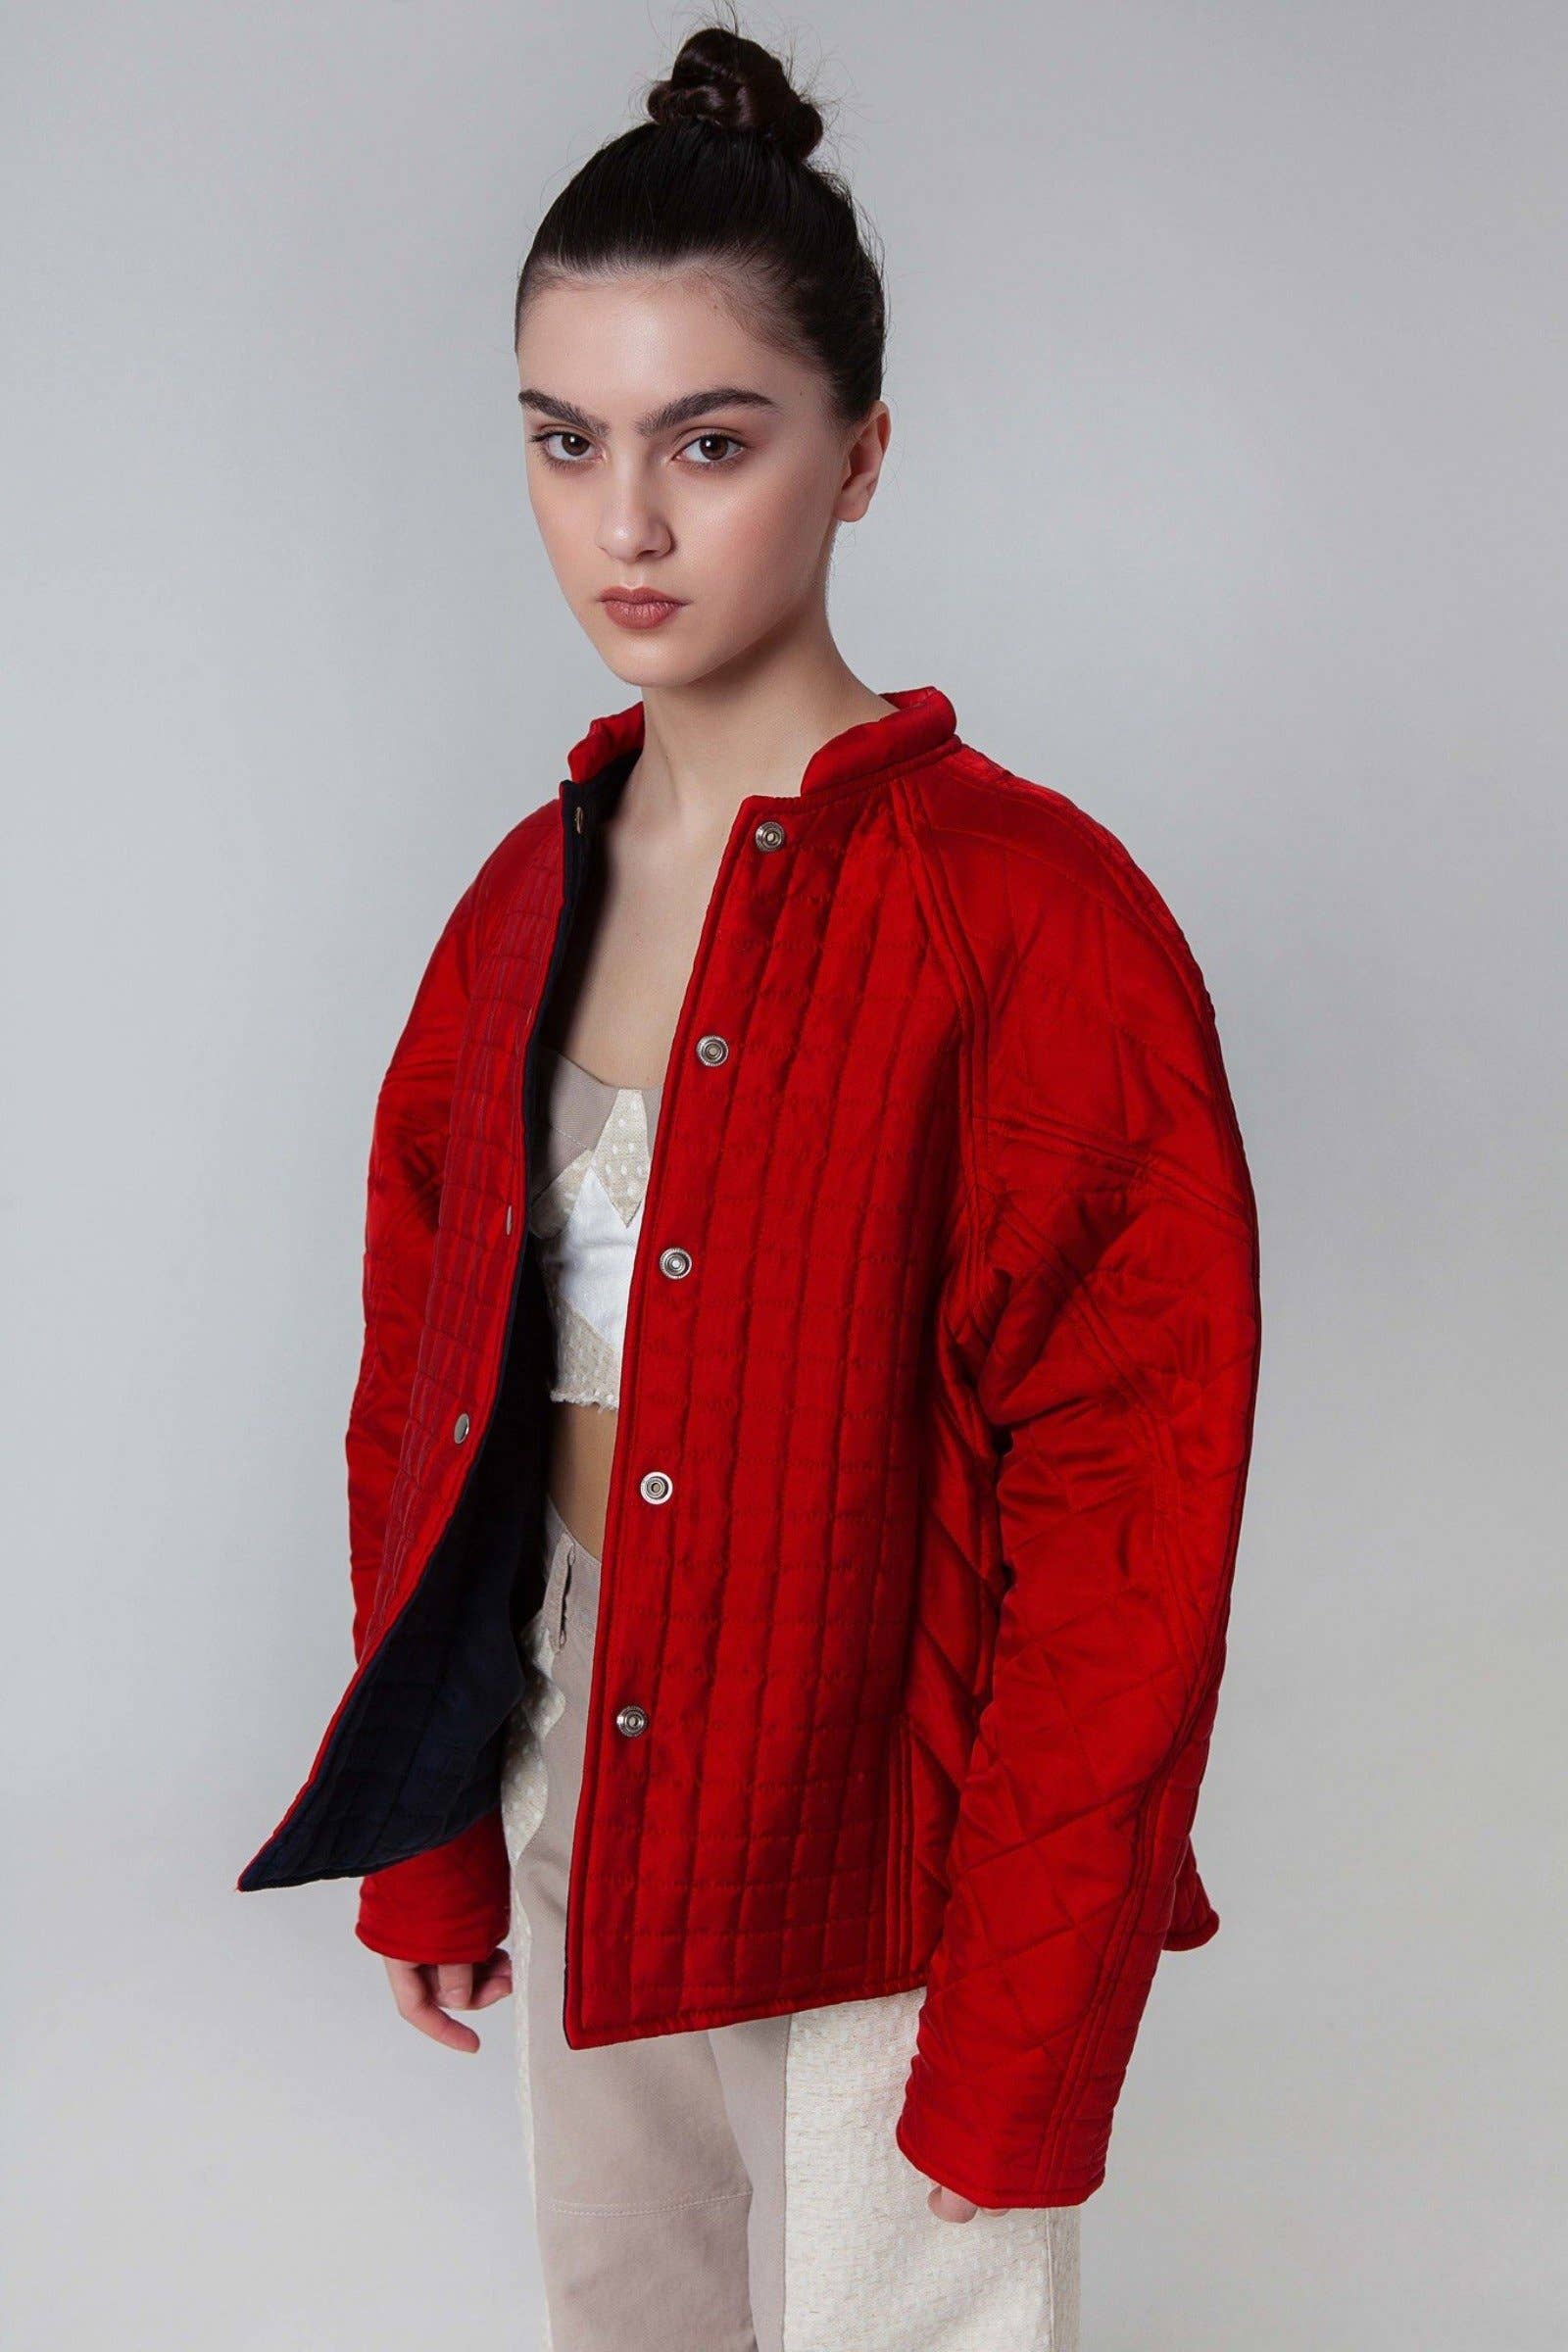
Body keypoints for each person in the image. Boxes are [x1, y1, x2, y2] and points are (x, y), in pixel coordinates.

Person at [237, 18, 1263, 2350]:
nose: (627, 523)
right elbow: (422, 1395)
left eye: (709, 441)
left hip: (886, 1818)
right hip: (568, 1753)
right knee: (635, 2321)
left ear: (858, 455)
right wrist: (432, 1829)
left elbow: (1127, 1528)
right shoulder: (522, 901)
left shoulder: (1029, 923)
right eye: (563, 439)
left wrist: (1028, 2026)